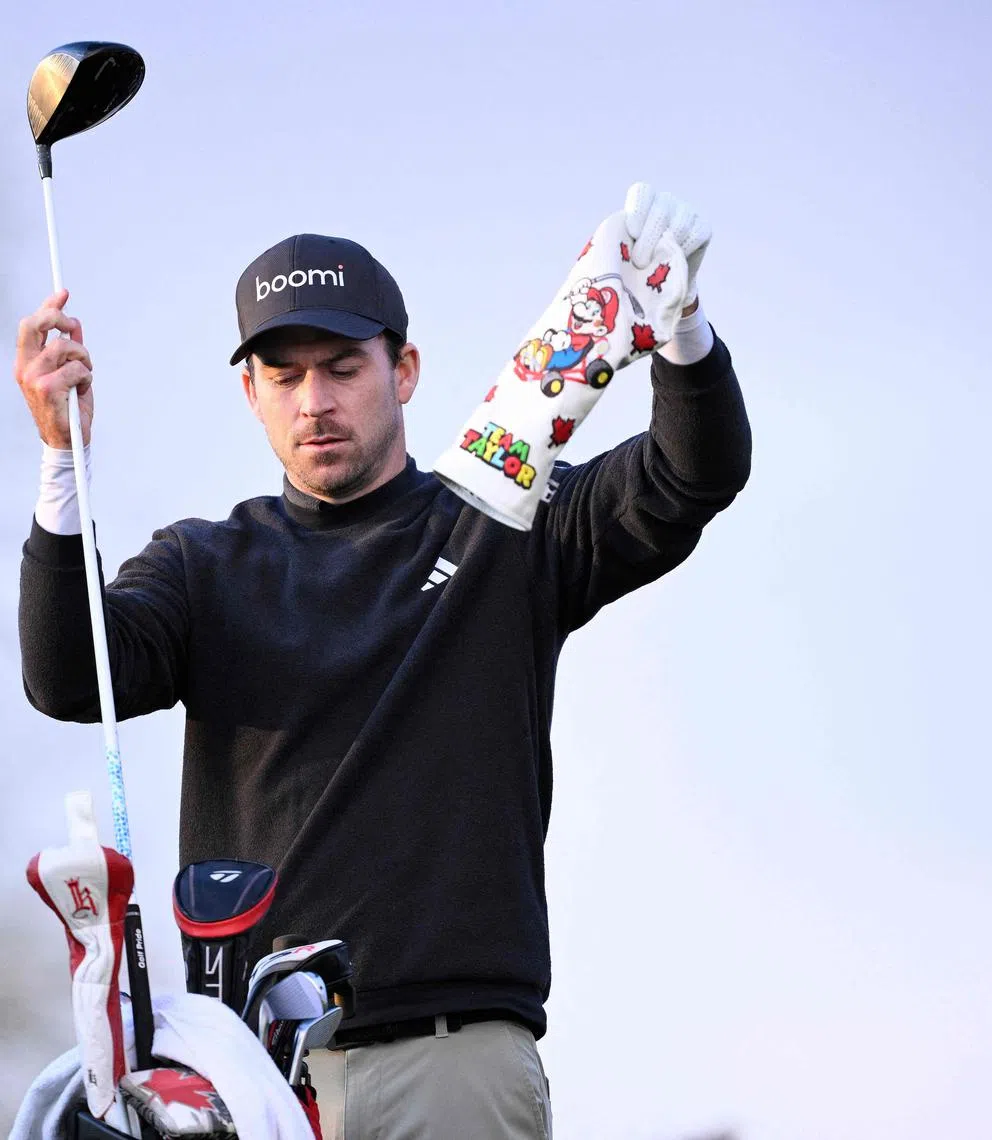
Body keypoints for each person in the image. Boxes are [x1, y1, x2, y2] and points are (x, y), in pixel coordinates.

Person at [14, 187, 751, 1139]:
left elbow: (691, 474)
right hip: (252, 1078)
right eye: (283, 375)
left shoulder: (503, 524)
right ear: (251, 394)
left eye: (341, 368)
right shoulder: (203, 565)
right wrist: (60, 462)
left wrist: (682, 337)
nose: (314, 401)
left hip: (452, 1063)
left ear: (403, 371)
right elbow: (71, 676)